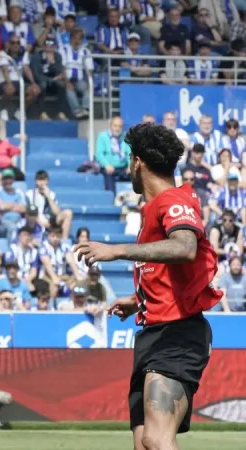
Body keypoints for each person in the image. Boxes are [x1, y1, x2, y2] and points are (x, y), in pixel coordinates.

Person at [75, 123, 221, 450]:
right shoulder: (153, 209)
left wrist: (118, 250)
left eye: (129, 159)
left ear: (137, 162)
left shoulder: (173, 201)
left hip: (178, 335)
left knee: (157, 439)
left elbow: (185, 247)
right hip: (154, 332)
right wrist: (139, 300)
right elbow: (169, 273)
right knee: (143, 443)